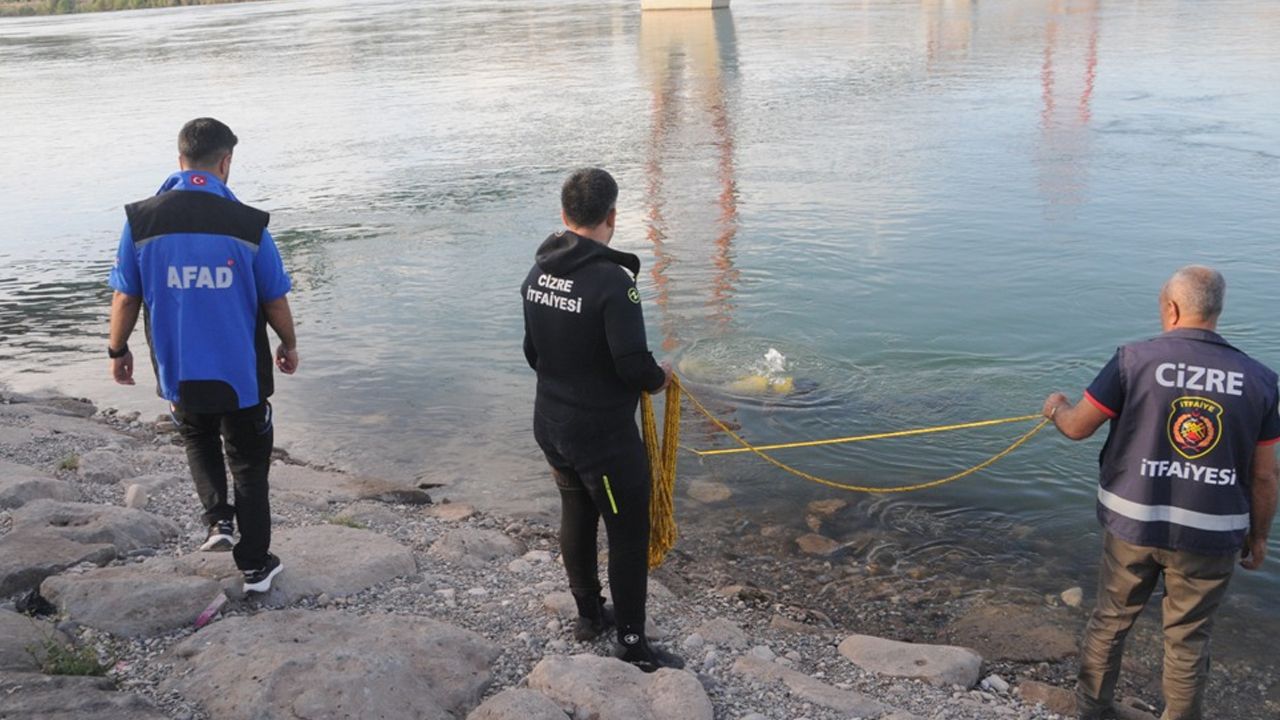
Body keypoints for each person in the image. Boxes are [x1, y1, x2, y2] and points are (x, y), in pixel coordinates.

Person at [1042, 266, 1278, 720]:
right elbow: (1265, 476)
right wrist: (1260, 536)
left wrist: (1056, 407)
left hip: (1132, 522)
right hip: (1211, 535)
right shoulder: (1260, 380)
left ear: (1171, 309)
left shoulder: (1132, 360)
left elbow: (1076, 427)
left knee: (1111, 621)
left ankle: (1093, 710)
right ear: (1216, 311)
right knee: (1188, 638)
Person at [107, 118, 298, 594]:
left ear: (180, 161)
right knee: (250, 465)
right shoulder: (249, 224)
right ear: (225, 162)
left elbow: (125, 298)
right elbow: (274, 299)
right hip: (243, 374)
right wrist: (288, 343)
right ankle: (255, 565)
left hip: (179, 369)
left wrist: (118, 349)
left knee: (198, 438)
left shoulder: (141, 220)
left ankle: (218, 522)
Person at [521, 167, 684, 672]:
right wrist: (662, 379)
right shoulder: (615, 283)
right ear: (612, 216)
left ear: (565, 215)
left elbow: (533, 353)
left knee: (576, 511)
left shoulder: (537, 272)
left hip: (551, 423)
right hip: (603, 440)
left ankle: (590, 615)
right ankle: (633, 644)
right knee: (628, 534)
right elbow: (634, 367)